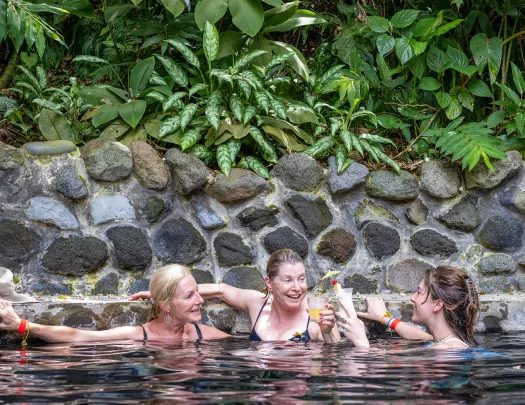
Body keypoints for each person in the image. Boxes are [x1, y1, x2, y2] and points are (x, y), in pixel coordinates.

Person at [131, 249, 341, 343]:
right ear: (269, 283)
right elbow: (221, 290)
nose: (298, 288)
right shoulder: (256, 303)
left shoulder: (315, 314)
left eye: (302, 279)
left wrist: (328, 331)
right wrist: (162, 294)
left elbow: (334, 357)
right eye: (288, 280)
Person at [0, 264, 229, 343]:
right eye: (189, 296)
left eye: (198, 292)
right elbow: (78, 336)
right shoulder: (139, 335)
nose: (200, 300)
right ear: (165, 305)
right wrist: (21, 325)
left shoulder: (202, 334)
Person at [336, 266, 479, 350]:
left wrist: (360, 341)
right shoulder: (447, 341)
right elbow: (419, 335)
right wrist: (384, 317)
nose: (412, 297)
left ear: (437, 304)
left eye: (419, 292)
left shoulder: (445, 350)